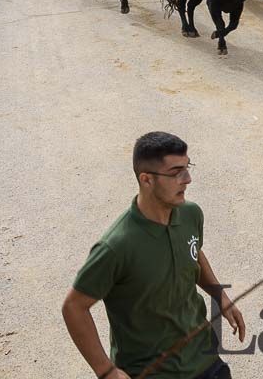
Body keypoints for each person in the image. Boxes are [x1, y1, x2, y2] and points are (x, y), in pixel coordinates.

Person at [62, 132, 244, 379]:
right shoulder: (117, 246)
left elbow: (193, 253)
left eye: (187, 167)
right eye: (176, 172)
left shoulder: (190, 215)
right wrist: (105, 370)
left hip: (205, 359)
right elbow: (74, 307)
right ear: (146, 180)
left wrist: (219, 295)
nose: (187, 179)